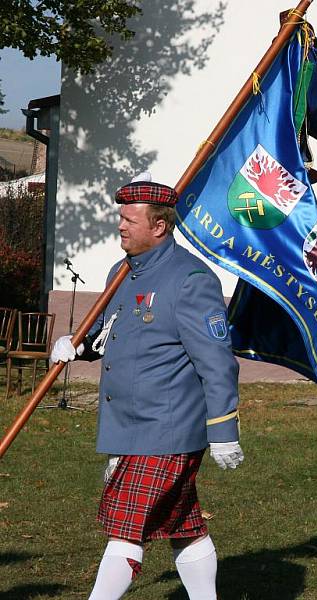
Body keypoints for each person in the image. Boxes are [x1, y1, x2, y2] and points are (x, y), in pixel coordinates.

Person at [50, 173, 244, 600]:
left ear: (159, 225)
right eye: (120, 217)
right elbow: (103, 335)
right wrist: (75, 347)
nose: (120, 225)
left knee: (124, 526)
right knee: (184, 526)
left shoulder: (190, 280)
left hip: (167, 430)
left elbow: (217, 363)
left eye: (129, 220)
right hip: (130, 426)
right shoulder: (120, 272)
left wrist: (224, 431)